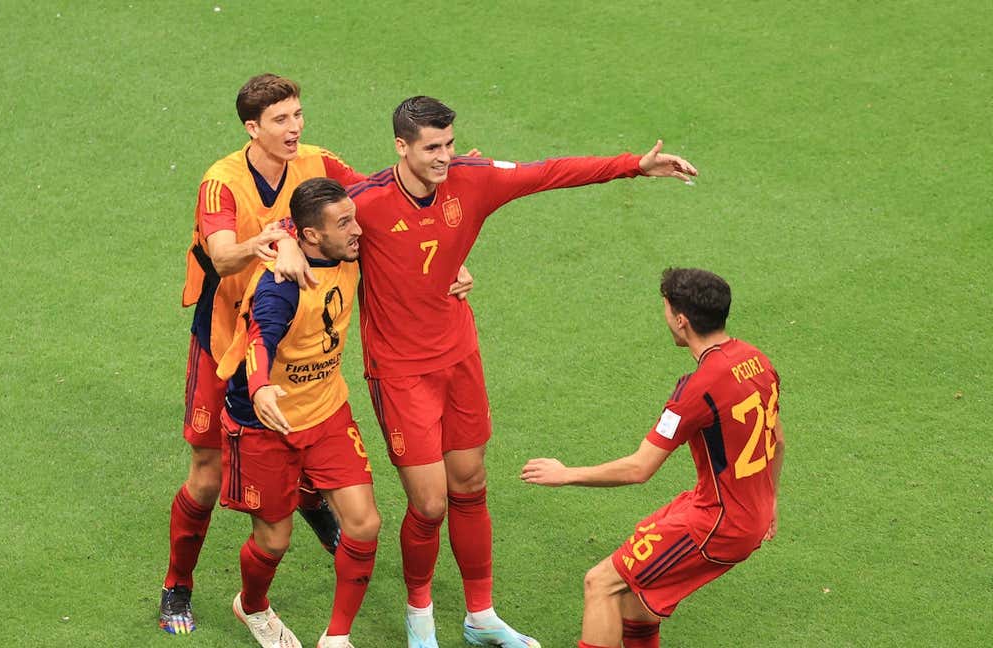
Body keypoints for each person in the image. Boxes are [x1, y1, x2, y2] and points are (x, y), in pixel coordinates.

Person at [286, 96, 698, 648]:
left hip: (459, 357)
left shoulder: (471, 180)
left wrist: (634, 165)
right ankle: (420, 619)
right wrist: (280, 247)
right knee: (429, 504)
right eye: (432, 147)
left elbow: (548, 173)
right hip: (401, 372)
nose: (445, 157)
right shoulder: (368, 203)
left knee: (471, 485)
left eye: (450, 144)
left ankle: (481, 616)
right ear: (401, 147)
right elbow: (308, 228)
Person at [160, 73, 365, 635]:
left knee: (306, 418)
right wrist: (280, 240)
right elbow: (224, 258)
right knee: (205, 473)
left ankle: (307, 498)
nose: (295, 128)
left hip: (291, 334)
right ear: (252, 128)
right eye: (280, 119)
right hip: (225, 334)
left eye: (298, 114)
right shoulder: (221, 182)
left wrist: (447, 185)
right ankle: (178, 583)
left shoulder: (319, 162)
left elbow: (374, 200)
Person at [520, 268, 784, 648]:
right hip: (744, 510)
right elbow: (777, 440)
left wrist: (566, 474)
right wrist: (769, 500)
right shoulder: (758, 360)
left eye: (665, 309)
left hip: (719, 523)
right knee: (633, 596)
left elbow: (640, 468)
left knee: (601, 584)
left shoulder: (697, 388)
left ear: (682, 320)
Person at [215, 177, 379, 648]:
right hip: (263, 422)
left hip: (327, 411)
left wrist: (457, 268)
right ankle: (252, 607)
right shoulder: (281, 284)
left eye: (353, 217)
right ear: (310, 235)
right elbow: (258, 338)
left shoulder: (345, 250)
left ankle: (337, 638)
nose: (357, 230)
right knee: (273, 542)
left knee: (364, 524)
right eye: (344, 223)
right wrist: (262, 387)